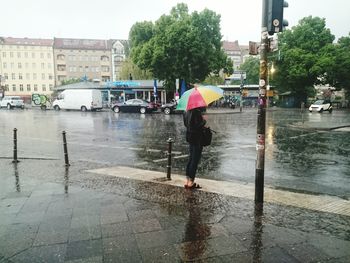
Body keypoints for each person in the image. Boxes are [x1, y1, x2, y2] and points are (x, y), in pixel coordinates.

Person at [183, 107, 206, 189]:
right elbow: (197, 126)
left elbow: (186, 124)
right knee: (195, 160)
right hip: (197, 138)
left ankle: (187, 180)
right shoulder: (196, 112)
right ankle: (191, 182)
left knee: (191, 158)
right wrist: (203, 120)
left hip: (190, 137)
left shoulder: (186, 111)